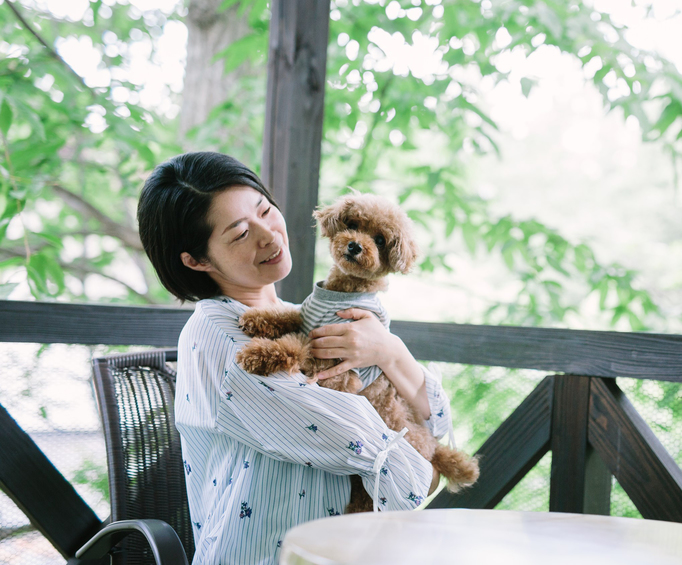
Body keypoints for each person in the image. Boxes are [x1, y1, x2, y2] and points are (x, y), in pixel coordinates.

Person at [137, 152, 452, 564]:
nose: (269, 236)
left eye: (266, 210)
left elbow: (438, 421)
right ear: (196, 260)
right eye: (239, 234)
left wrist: (390, 351)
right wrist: (421, 458)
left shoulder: (302, 319)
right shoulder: (220, 338)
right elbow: (403, 472)